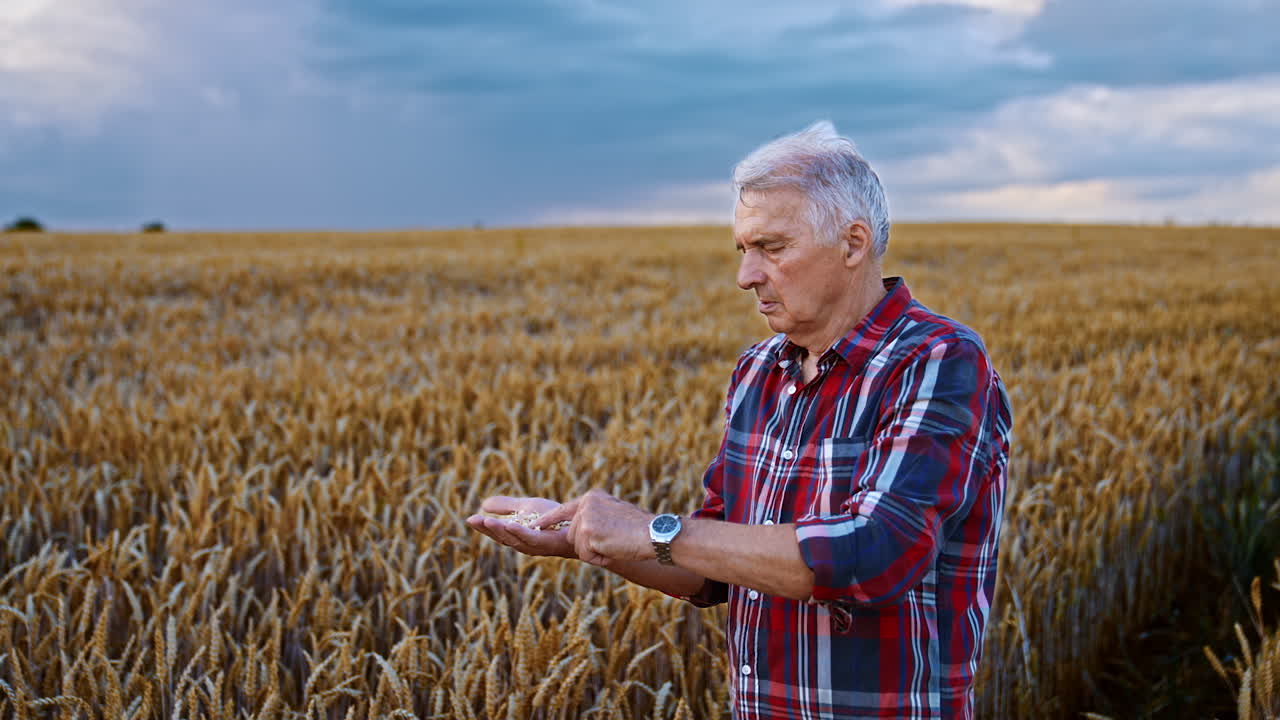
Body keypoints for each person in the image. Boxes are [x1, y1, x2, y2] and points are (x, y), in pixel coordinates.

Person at [466, 121, 1013, 720]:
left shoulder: (937, 360)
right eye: (743, 251)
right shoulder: (760, 371)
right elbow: (711, 568)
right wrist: (579, 537)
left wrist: (653, 532)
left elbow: (878, 554)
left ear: (853, 244)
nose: (746, 276)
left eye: (772, 248)